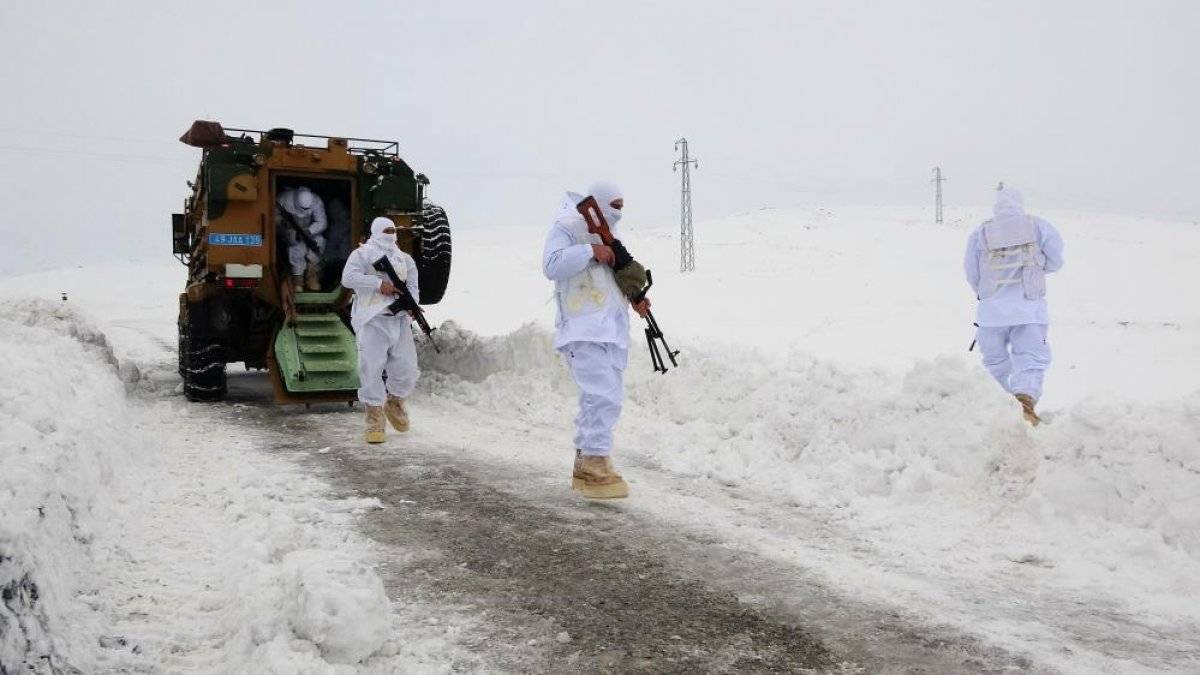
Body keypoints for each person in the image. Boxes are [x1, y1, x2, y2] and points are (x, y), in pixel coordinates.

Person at [542, 181, 650, 499]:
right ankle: (594, 461)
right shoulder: (567, 227)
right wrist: (590, 250)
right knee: (600, 395)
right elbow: (551, 265)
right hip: (582, 326)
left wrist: (634, 297)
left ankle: (586, 460)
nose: (619, 212)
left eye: (622, 206)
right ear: (599, 203)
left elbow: (612, 274)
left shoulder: (610, 236)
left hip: (611, 329)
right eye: (614, 205)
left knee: (607, 396)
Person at [964, 186, 1064, 425]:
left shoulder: (980, 232)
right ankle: (1024, 404)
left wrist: (987, 295)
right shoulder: (1039, 226)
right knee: (1031, 358)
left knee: (995, 361)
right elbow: (1056, 261)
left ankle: (1004, 406)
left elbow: (972, 271)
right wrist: (1035, 272)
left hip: (991, 314)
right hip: (1029, 310)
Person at [341, 217, 421, 443]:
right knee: (371, 369)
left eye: (393, 229)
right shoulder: (362, 254)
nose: (390, 232)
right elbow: (348, 278)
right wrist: (378, 284)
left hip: (399, 320)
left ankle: (394, 402)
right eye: (386, 229)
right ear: (375, 230)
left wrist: (412, 305)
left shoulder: (405, 259)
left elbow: (413, 286)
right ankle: (374, 418)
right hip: (372, 319)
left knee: (407, 368)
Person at [277, 186, 328, 291]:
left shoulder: (316, 201)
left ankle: (312, 276)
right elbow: (272, 215)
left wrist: (309, 231)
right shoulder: (284, 198)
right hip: (289, 231)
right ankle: (298, 281)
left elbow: (322, 222)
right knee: (296, 248)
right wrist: (282, 222)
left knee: (319, 241)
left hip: (309, 230)